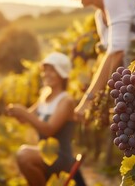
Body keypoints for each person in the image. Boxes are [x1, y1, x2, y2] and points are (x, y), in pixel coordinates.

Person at [6, 52, 83, 186]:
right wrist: (16, 112)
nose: (46, 74)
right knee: (25, 158)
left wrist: (24, 112)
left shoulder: (66, 100)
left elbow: (49, 129)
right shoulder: (44, 96)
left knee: (24, 155)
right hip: (45, 154)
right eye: (45, 70)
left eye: (52, 70)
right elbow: (26, 119)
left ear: (62, 74)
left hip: (59, 157)